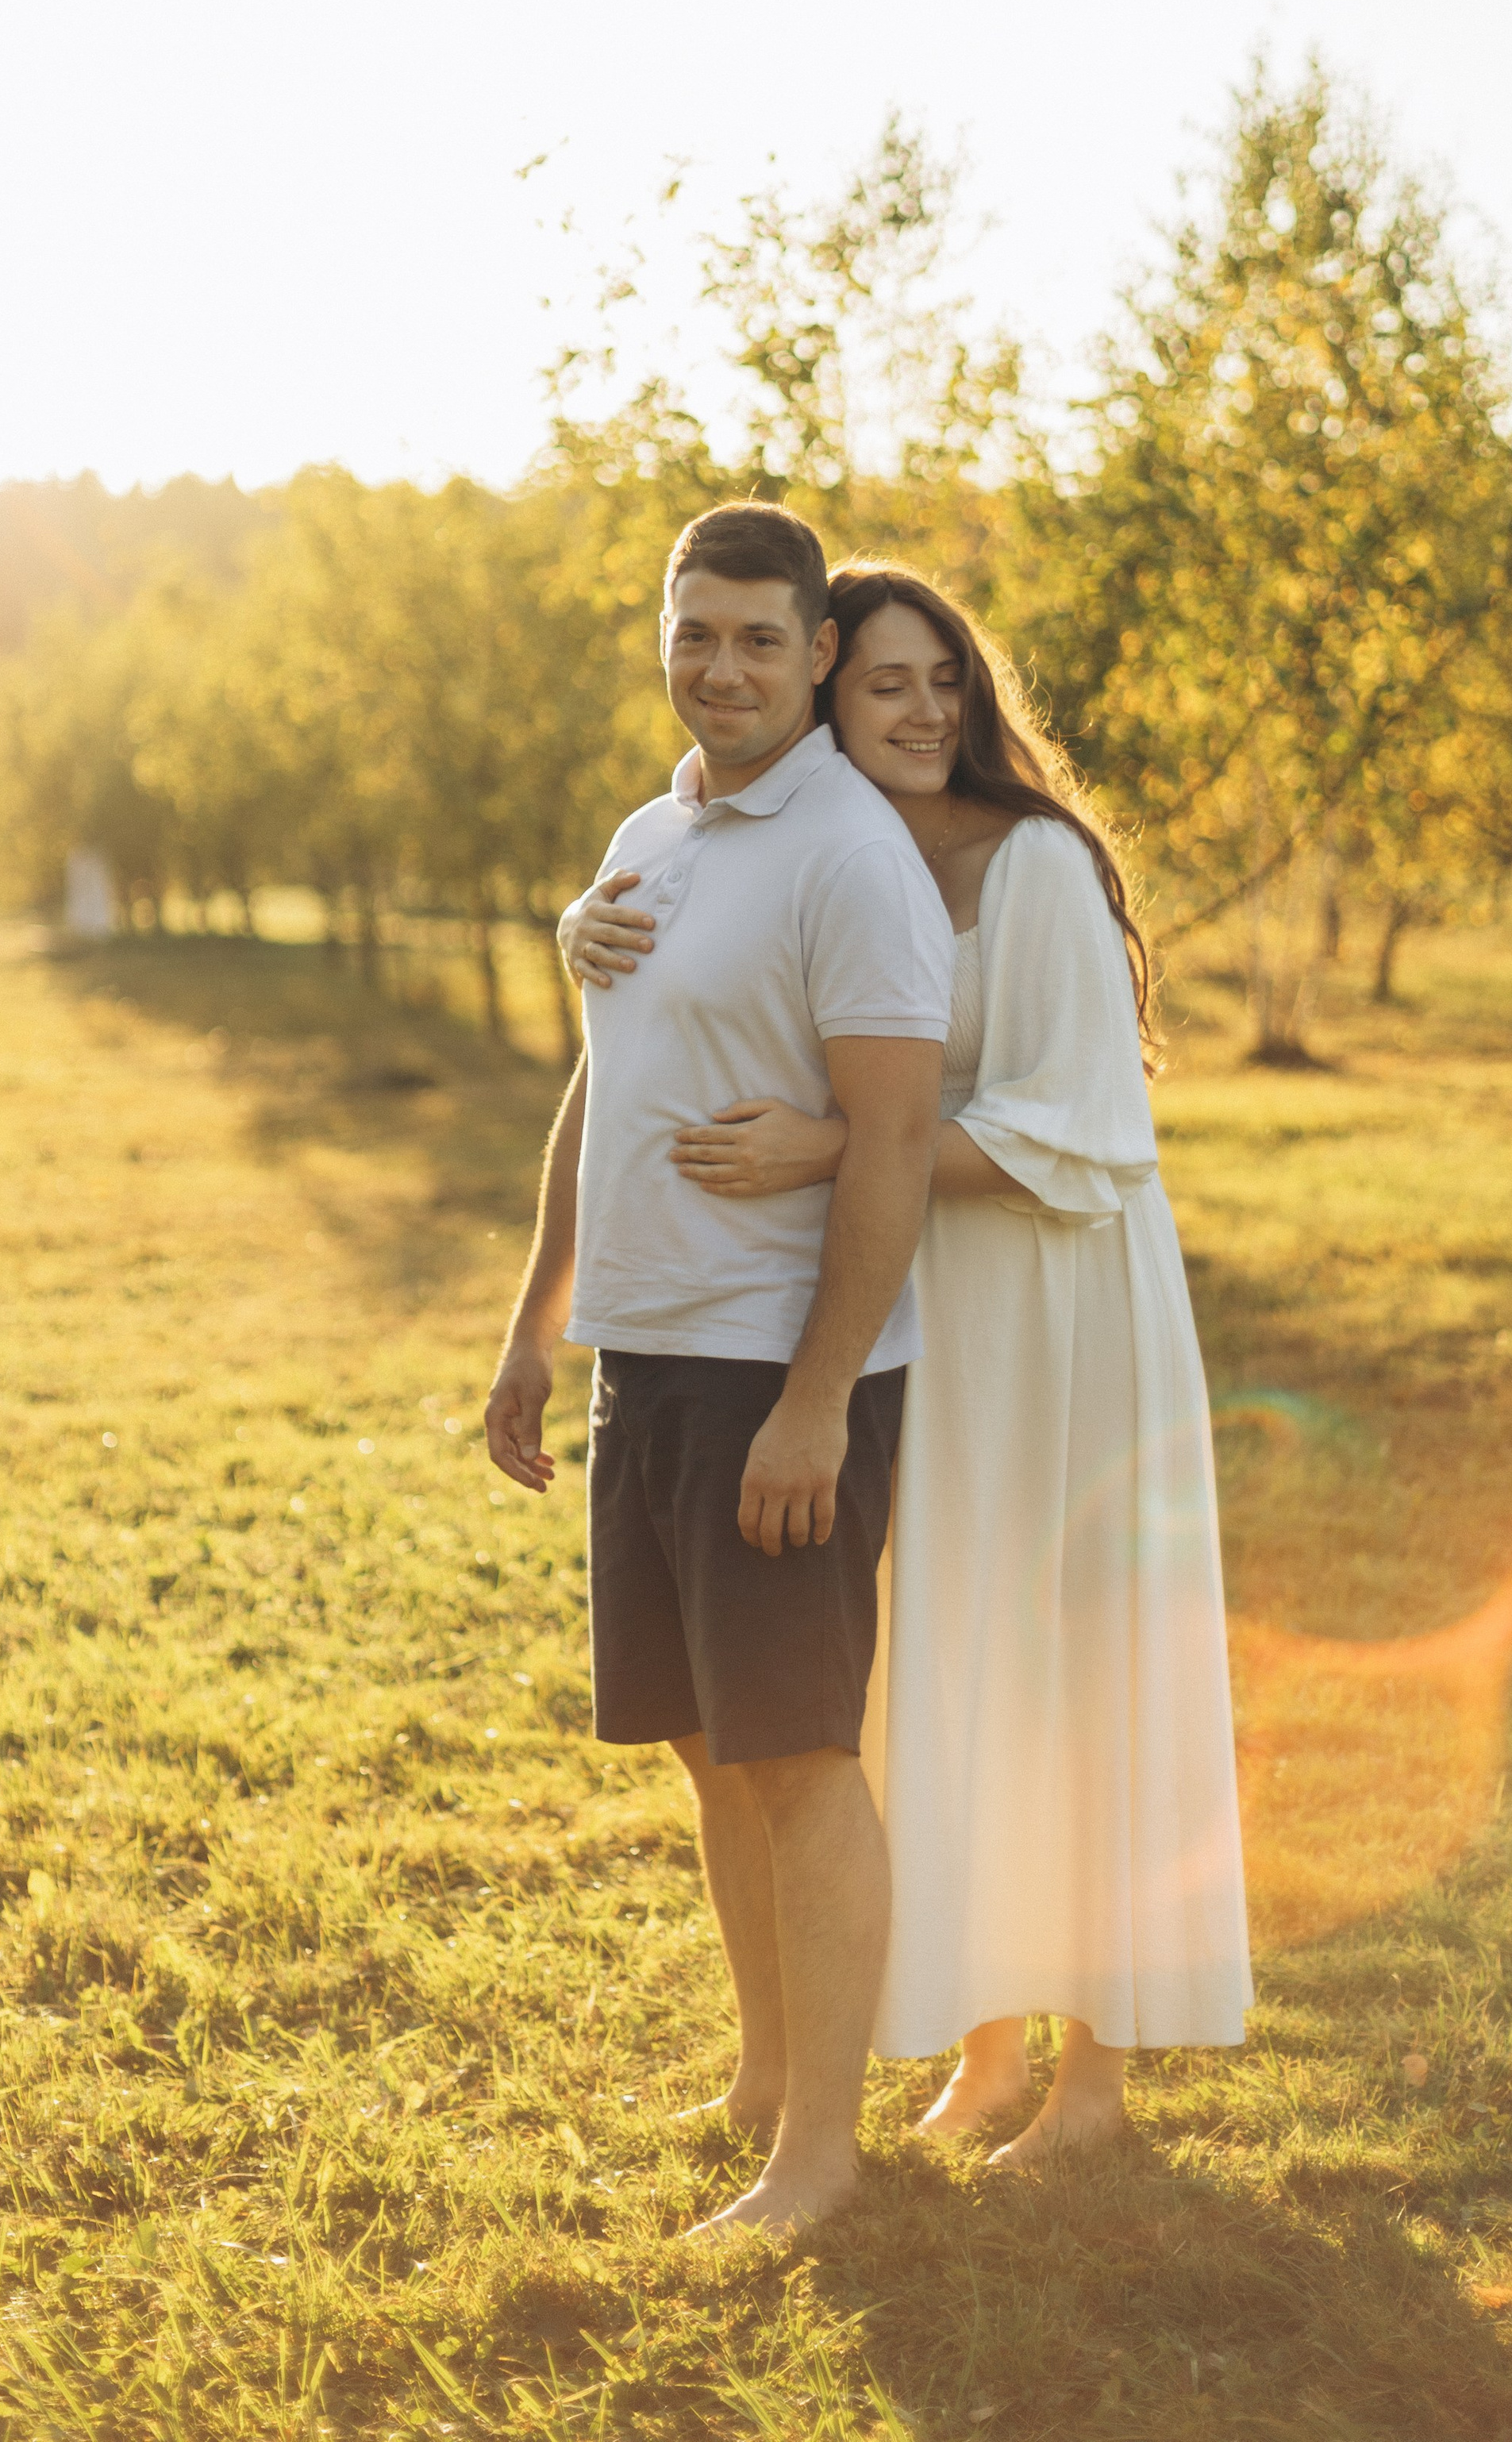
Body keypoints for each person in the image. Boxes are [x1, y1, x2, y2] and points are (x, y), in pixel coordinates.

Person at [564, 560, 1251, 2167]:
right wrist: (578, 923)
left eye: (946, 680)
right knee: (943, 1665)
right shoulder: (830, 850)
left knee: (1068, 1660)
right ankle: (982, 2049)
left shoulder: (1035, 863)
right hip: (919, 1303)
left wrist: (831, 1148)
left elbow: (1080, 1133)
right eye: (887, 682)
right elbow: (700, 883)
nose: (925, 710)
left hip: (1060, 1307)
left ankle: (1091, 2078)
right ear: (825, 690)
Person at [483, 504, 955, 2236]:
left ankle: (819, 2158)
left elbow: (891, 1144)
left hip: (775, 1373)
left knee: (799, 1758)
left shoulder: (850, 858)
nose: (725, 668)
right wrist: (538, 1320)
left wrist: (819, 1402)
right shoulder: (653, 832)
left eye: (762, 638)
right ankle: (766, 2076)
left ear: (819, 654)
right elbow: (603, 1083)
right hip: (649, 1358)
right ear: (663, 638)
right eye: (697, 633)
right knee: (704, 1745)